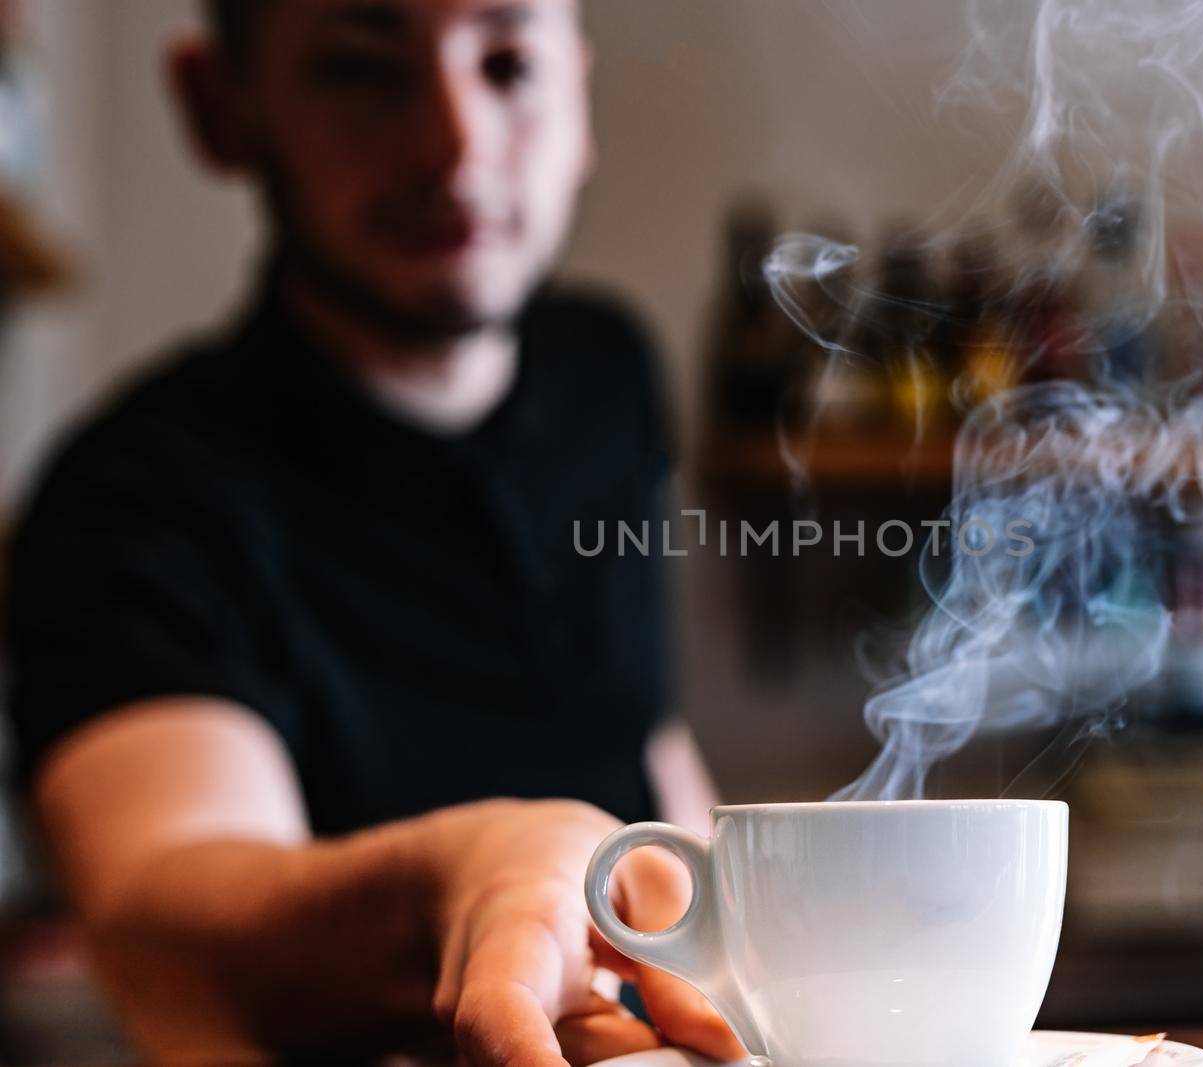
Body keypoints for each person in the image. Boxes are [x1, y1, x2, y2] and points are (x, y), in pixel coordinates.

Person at [1, 1, 743, 1064]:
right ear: (221, 109)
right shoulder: (132, 495)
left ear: (577, 96)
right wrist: (465, 883)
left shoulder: (608, 374)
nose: (455, 144)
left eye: (506, 63)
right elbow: (163, 931)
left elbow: (646, 743)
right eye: (360, 69)